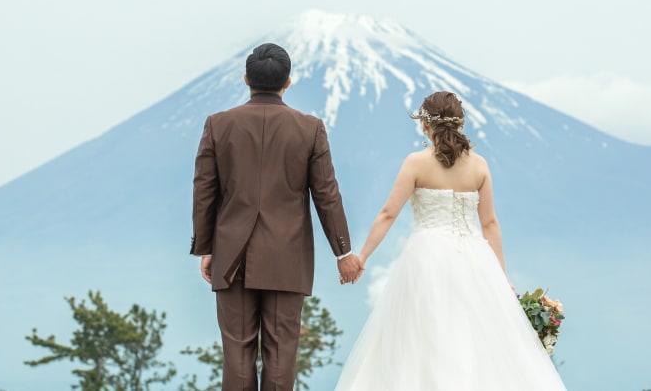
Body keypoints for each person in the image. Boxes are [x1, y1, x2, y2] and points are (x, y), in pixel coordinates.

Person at [334, 91, 568, 390]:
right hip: (474, 258)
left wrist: (362, 257)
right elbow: (490, 223)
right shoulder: (480, 165)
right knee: (474, 339)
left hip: (427, 257)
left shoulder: (415, 163)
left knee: (423, 339)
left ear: (425, 125)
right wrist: (501, 275)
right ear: (460, 124)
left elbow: (388, 214)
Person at [190, 42, 364, 391]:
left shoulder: (218, 125)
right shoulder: (310, 128)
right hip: (287, 257)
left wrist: (206, 248)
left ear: (245, 79)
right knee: (282, 356)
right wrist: (343, 252)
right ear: (288, 82)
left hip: (230, 257)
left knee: (237, 355)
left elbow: (204, 190)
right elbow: (326, 194)